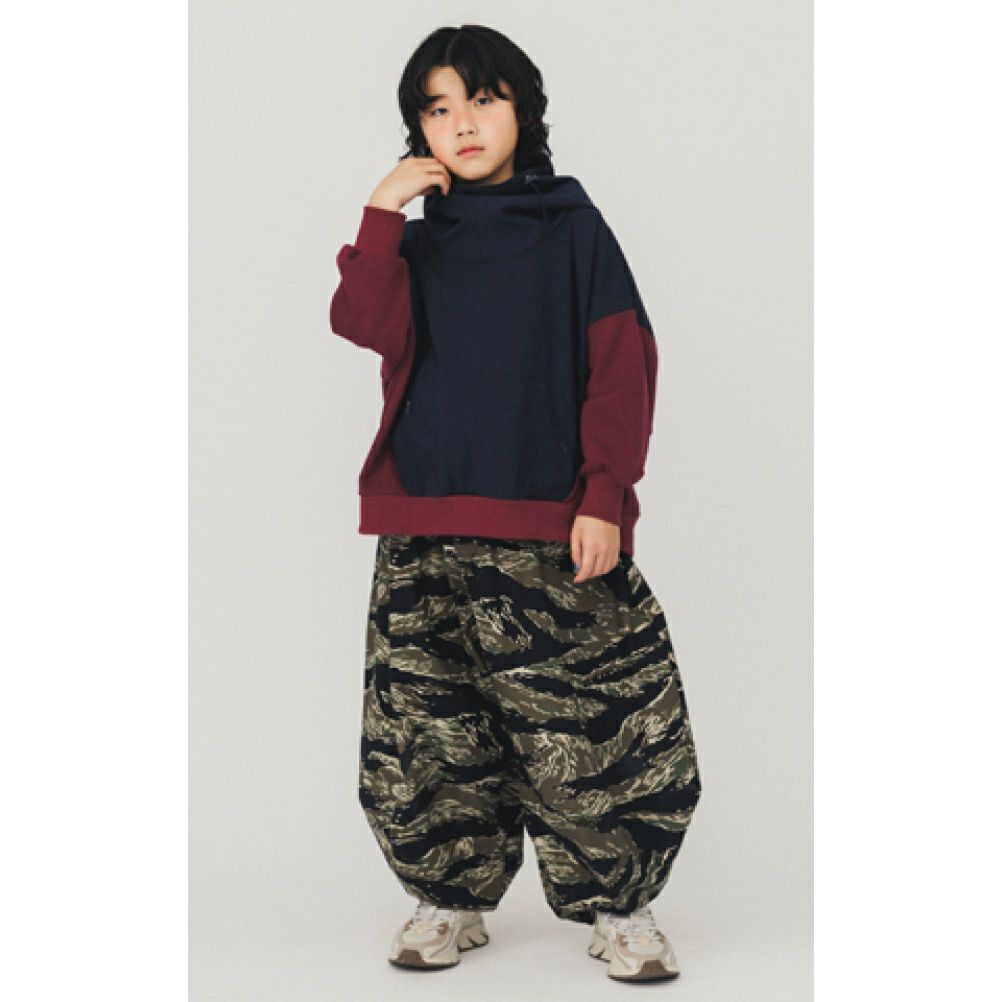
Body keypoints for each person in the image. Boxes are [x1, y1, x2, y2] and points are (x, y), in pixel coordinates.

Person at [329, 23, 702, 984]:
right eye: (438, 107)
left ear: (522, 110)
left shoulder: (572, 229)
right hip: (424, 524)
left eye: (482, 100)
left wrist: (605, 495)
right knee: (427, 727)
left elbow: (622, 369)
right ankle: (447, 897)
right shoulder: (415, 246)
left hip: (550, 524)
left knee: (596, 723)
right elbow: (359, 321)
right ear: (418, 128)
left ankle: (621, 908)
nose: (462, 123)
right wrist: (381, 209)